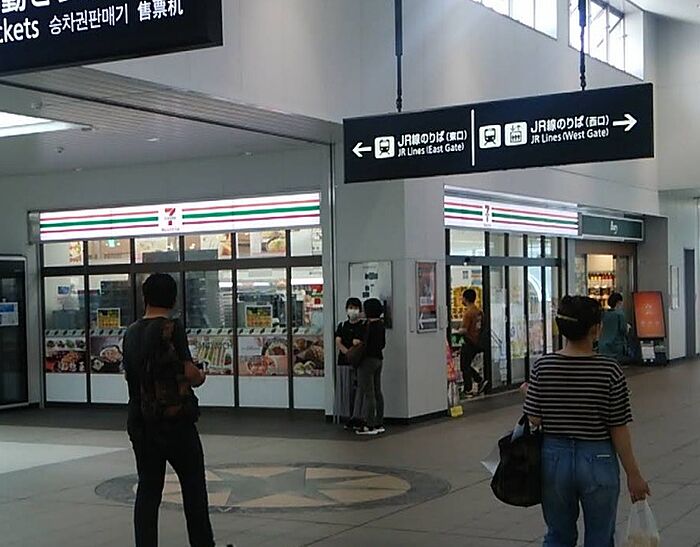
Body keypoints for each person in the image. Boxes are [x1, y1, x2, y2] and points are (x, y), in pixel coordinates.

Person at [524, 296, 650, 547]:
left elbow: (534, 418)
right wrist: (633, 474)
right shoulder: (609, 370)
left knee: (557, 536)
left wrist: (528, 394)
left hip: (554, 459)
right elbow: (618, 427)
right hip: (598, 458)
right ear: (595, 329)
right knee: (600, 537)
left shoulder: (543, 366)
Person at [123, 273, 216, 547]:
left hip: (141, 422)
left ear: (145, 298)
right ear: (174, 300)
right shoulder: (172, 328)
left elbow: (130, 375)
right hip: (176, 423)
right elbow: (189, 373)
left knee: (148, 491)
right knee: (193, 488)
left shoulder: (131, 333)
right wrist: (200, 375)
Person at [352, 298, 386, 436]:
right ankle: (379, 422)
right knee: (377, 392)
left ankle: (369, 425)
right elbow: (382, 344)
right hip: (378, 359)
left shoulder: (367, 326)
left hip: (366, 361)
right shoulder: (381, 325)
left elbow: (359, 343)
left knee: (368, 393)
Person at [335, 297, 365, 429]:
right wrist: (348, 353)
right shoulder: (342, 326)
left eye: (356, 308)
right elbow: (338, 342)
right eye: (350, 308)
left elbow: (362, 343)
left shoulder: (363, 326)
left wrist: (353, 354)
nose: (353, 310)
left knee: (359, 390)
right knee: (346, 390)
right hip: (344, 362)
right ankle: (347, 417)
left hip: (359, 363)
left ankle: (358, 416)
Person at [457, 289, 488, 397]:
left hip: (469, 341)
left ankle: (469, 388)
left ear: (465, 299)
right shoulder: (479, 312)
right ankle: (478, 380)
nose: (461, 299)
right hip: (477, 341)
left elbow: (464, 330)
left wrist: (456, 331)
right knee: (466, 364)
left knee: (464, 366)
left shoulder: (468, 313)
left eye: (462, 297)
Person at [599, 292, 630, 363]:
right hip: (615, 347)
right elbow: (623, 330)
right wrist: (627, 328)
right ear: (619, 302)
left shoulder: (604, 314)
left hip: (603, 347)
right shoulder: (620, 315)